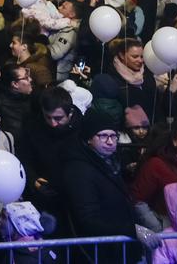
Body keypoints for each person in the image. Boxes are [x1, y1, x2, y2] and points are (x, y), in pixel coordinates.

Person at [61, 110, 151, 261]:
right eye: (103, 136)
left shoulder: (108, 162)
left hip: (118, 250)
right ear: (89, 138)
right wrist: (131, 230)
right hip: (101, 253)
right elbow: (88, 219)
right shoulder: (79, 170)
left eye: (113, 135)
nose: (110, 141)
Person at [131, 121, 177, 222]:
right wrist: (158, 229)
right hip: (167, 228)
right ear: (175, 141)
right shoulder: (157, 164)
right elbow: (138, 201)